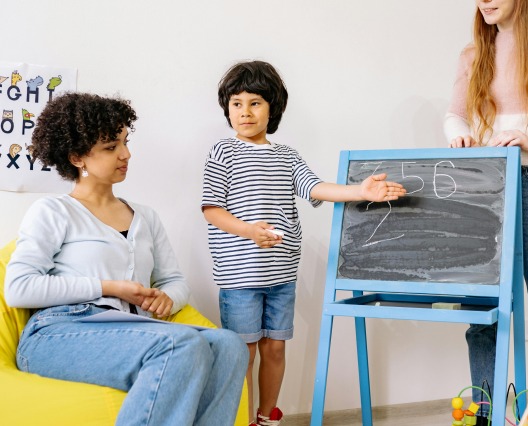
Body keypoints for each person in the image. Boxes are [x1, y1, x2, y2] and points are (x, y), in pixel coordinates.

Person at [4, 92, 248, 426]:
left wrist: (167, 298)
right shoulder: (53, 211)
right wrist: (111, 288)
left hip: (131, 329)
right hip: (58, 332)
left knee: (229, 345)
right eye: (110, 147)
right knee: (181, 345)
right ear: (78, 158)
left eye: (124, 142)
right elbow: (19, 288)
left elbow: (174, 282)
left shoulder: (145, 217)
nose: (126, 154)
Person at [201, 60, 407, 426]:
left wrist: (361, 190)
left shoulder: (286, 156)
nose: (244, 112)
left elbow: (315, 188)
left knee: (275, 348)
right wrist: (248, 231)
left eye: (255, 103)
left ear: (272, 108)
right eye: (236, 103)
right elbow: (212, 209)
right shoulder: (223, 153)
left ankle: (267, 417)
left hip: (281, 273)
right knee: (243, 353)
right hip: (239, 277)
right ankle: (243, 419)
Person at [444, 0, 528, 415]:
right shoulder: (474, 51)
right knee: (481, 312)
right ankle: (485, 415)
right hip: (485, 188)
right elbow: (455, 116)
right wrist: (459, 135)